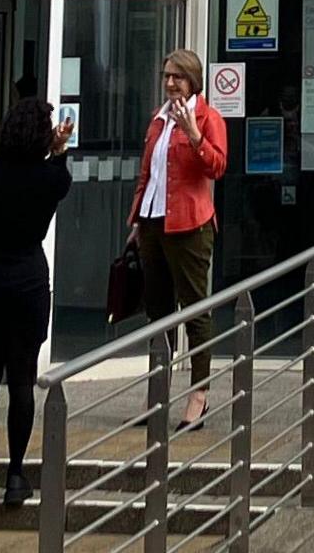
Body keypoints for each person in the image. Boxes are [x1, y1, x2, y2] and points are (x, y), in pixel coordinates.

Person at [0, 92, 73, 508]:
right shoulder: (50, 178)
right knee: (21, 383)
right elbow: (60, 181)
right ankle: (17, 473)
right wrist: (58, 153)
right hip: (28, 283)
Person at [132, 46, 229, 425]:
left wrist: (193, 135)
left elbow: (218, 167)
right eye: (167, 76)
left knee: (194, 310)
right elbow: (149, 174)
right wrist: (137, 219)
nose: (171, 83)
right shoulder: (157, 121)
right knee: (157, 312)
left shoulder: (208, 118)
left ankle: (200, 393)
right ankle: (158, 393)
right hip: (153, 224)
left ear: (193, 81)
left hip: (190, 225)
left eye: (178, 77)